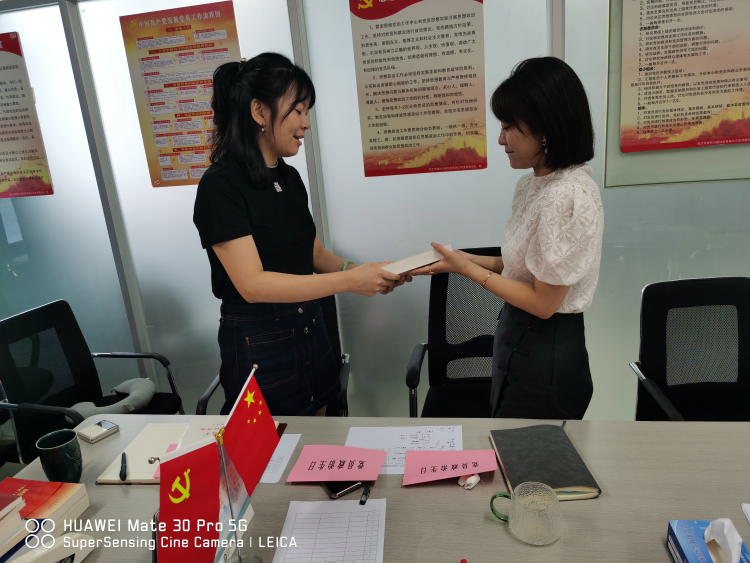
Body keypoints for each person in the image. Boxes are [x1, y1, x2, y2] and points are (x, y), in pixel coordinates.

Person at [193, 53, 408, 416]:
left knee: (319, 425)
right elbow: (252, 284)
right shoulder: (221, 185)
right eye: (297, 110)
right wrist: (351, 282)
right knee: (273, 445)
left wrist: (360, 270)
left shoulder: (288, 177)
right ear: (259, 111)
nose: (306, 123)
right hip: (260, 340)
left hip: (309, 326)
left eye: (307, 111)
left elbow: (314, 254)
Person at [411, 57, 603, 419]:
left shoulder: (569, 194)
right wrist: (459, 259)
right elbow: (519, 265)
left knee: (529, 452)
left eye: (509, 127)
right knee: (506, 442)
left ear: (546, 127)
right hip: (516, 341)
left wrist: (466, 270)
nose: (501, 139)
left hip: (545, 355)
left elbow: (544, 303)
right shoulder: (532, 184)